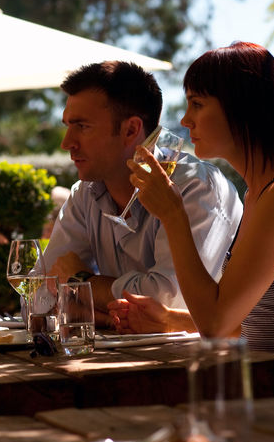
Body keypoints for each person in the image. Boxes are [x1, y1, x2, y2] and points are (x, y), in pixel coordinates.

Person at [109, 42, 274, 397]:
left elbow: (216, 324)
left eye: (197, 103)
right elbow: (248, 322)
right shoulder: (260, 193)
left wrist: (173, 213)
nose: (185, 120)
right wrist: (169, 320)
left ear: (243, 109)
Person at [41, 61, 242, 325]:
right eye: (68, 125)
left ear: (131, 130)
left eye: (82, 126)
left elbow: (170, 302)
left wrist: (81, 282)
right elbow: (38, 297)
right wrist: (105, 318)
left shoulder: (195, 187)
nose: (67, 143)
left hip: (205, 364)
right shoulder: (85, 194)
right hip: (124, 363)